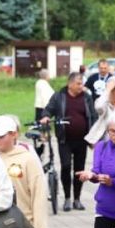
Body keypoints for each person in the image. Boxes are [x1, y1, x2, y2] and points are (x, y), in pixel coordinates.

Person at [41, 72, 95, 211]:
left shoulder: (86, 97)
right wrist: (46, 117)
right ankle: (67, 199)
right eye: (78, 83)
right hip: (65, 139)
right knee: (65, 167)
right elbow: (48, 109)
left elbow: (93, 116)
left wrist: (94, 137)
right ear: (70, 84)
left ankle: (77, 199)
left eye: (82, 83)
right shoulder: (59, 96)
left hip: (82, 140)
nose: (81, 86)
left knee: (79, 170)